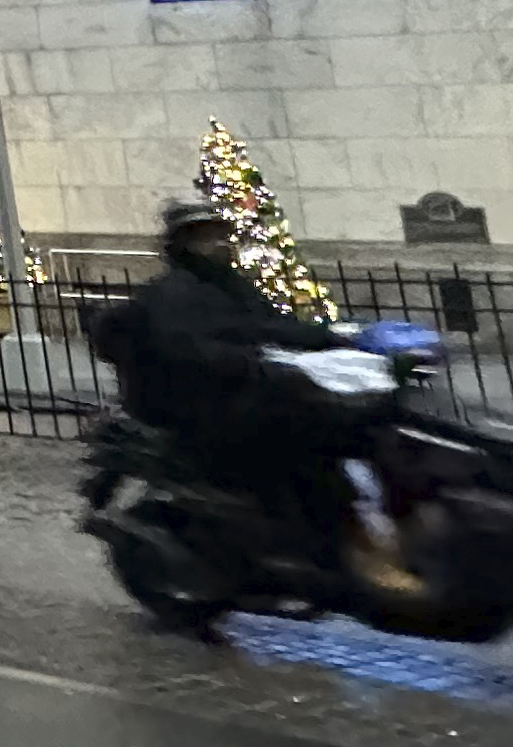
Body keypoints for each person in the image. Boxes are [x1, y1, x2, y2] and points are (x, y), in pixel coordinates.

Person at [99, 199, 361, 570]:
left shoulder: (232, 287)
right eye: (208, 238)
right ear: (185, 245)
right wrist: (255, 364)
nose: (221, 244)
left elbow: (268, 326)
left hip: (234, 389)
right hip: (197, 403)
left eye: (223, 235)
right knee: (296, 439)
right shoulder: (174, 293)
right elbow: (191, 349)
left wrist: (333, 337)